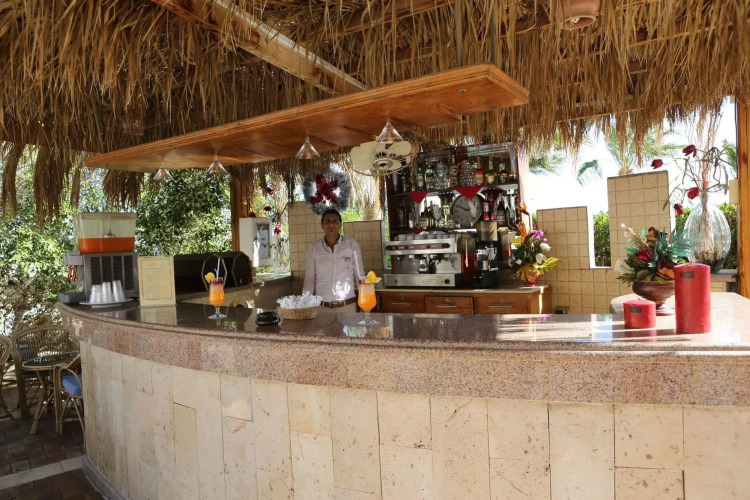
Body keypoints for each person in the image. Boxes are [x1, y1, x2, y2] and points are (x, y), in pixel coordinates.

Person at [303, 209, 364, 312]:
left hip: (347, 307)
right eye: (327, 221)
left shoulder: (352, 245)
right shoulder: (314, 248)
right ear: (322, 225)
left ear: (340, 225)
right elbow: (309, 278)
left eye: (335, 221)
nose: (331, 224)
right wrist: (305, 304)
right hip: (322, 308)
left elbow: (360, 276)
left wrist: (364, 305)